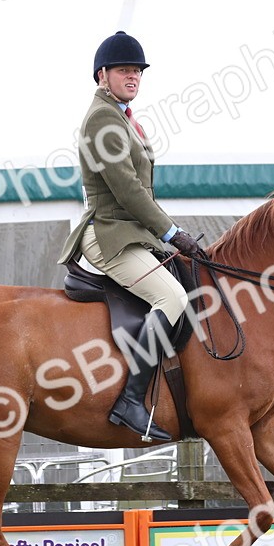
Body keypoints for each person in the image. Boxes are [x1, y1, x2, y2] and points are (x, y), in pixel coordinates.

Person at [58, 31, 202, 442]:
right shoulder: (103, 119)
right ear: (102, 75)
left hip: (132, 234)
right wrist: (172, 233)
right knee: (171, 298)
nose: (133, 76)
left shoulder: (122, 117)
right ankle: (130, 401)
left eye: (137, 70)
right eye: (124, 70)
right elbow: (128, 191)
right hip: (109, 236)